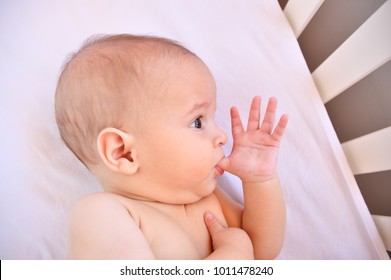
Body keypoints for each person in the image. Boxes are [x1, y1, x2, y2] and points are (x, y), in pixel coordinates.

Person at [55, 34, 289, 260]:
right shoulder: (101, 214)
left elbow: (260, 250)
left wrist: (259, 181)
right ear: (123, 153)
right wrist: (231, 258)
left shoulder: (208, 198)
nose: (222, 136)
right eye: (197, 122)